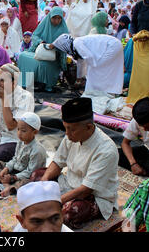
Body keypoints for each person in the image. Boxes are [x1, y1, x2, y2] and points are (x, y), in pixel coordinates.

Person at [41, 98, 119, 229]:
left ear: (88, 127)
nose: (67, 133)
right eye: (65, 128)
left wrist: (56, 201)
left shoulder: (106, 150)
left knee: (67, 213)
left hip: (94, 196)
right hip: (68, 183)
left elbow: (86, 190)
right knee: (37, 176)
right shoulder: (71, 136)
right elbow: (57, 162)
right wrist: (43, 181)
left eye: (71, 129)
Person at [0, 112, 47, 197]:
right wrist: (6, 168)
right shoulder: (20, 142)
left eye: (23, 131)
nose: (19, 133)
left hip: (25, 176)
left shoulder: (37, 150)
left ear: (35, 132)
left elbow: (31, 172)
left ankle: (11, 186)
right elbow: (15, 158)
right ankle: (7, 186)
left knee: (28, 183)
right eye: (18, 129)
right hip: (15, 171)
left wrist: (13, 177)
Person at [53, 33, 124, 95]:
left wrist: (87, 74)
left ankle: (98, 92)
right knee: (101, 71)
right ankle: (104, 91)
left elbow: (90, 57)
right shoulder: (76, 45)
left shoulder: (77, 43)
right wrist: (78, 79)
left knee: (96, 71)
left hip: (112, 46)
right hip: (114, 45)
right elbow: (81, 63)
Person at [18, 7, 69, 92]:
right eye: (54, 18)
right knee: (22, 56)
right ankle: (27, 82)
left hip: (53, 58)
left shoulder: (63, 29)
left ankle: (44, 84)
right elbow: (35, 35)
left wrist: (55, 46)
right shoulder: (45, 24)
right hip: (41, 52)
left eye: (59, 18)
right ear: (50, 17)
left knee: (43, 64)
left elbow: (65, 46)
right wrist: (40, 41)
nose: (56, 21)